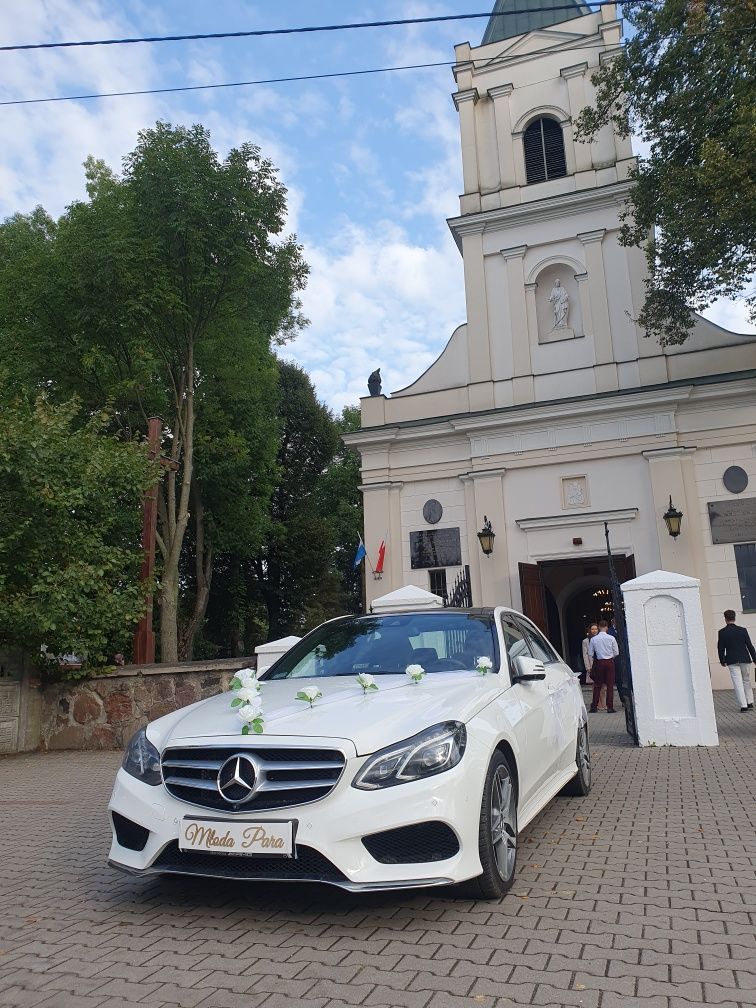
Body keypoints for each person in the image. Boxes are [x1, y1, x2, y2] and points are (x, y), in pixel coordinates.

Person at [717, 609, 755, 712]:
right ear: (734, 618)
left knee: (738, 683)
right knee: (746, 680)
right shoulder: (742, 630)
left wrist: (722, 660)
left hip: (732, 660)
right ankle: (750, 702)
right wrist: (755, 658)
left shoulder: (722, 632)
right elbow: (749, 645)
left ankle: (743, 706)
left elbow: (720, 648)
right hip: (745, 659)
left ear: (725, 619)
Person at [588, 620, 619, 713]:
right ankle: (610, 707)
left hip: (599, 662)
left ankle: (594, 706)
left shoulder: (594, 639)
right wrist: (611, 657)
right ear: (606, 627)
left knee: (597, 685)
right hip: (609, 662)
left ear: (599, 627)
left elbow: (590, 653)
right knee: (610, 685)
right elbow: (616, 652)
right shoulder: (611, 638)